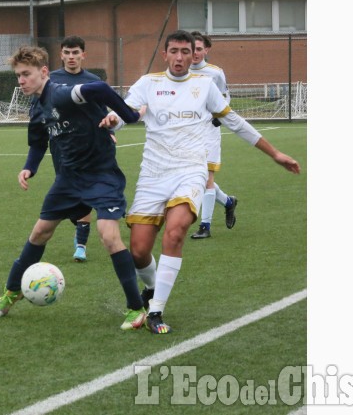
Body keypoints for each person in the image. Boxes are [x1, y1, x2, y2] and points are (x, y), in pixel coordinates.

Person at [100, 30, 300, 334]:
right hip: (153, 174)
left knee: (176, 231)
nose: (180, 57)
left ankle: (156, 311)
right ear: (165, 54)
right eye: (174, 51)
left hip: (190, 170)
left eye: (186, 51)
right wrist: (114, 118)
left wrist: (274, 153)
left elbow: (234, 121)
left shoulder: (205, 85)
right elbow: (128, 111)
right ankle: (154, 289)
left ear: (194, 53)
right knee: (139, 251)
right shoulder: (148, 82)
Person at [0, 45, 148, 331]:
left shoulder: (62, 93)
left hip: (101, 176)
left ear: (44, 73)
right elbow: (38, 142)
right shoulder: (37, 107)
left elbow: (99, 88)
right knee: (39, 232)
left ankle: (136, 308)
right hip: (68, 179)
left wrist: (130, 115)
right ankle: (11, 292)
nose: (21, 81)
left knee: (109, 236)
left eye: (26, 74)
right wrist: (30, 167)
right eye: (18, 76)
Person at [49, 35, 108, 263]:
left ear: (83, 54)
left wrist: (108, 133)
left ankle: (81, 245)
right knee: (68, 192)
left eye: (76, 53)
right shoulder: (52, 79)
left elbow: (101, 111)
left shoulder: (93, 80)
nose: (71, 57)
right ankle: (78, 224)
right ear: (61, 54)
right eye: (67, 53)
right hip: (61, 146)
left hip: (88, 146)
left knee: (84, 192)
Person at [189, 31, 237, 239]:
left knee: (207, 177)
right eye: (192, 49)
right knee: (196, 179)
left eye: (199, 49)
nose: (195, 53)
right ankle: (228, 202)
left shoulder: (215, 73)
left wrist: (219, 115)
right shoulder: (180, 72)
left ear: (206, 50)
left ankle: (205, 226)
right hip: (188, 132)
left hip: (209, 130)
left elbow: (226, 97)